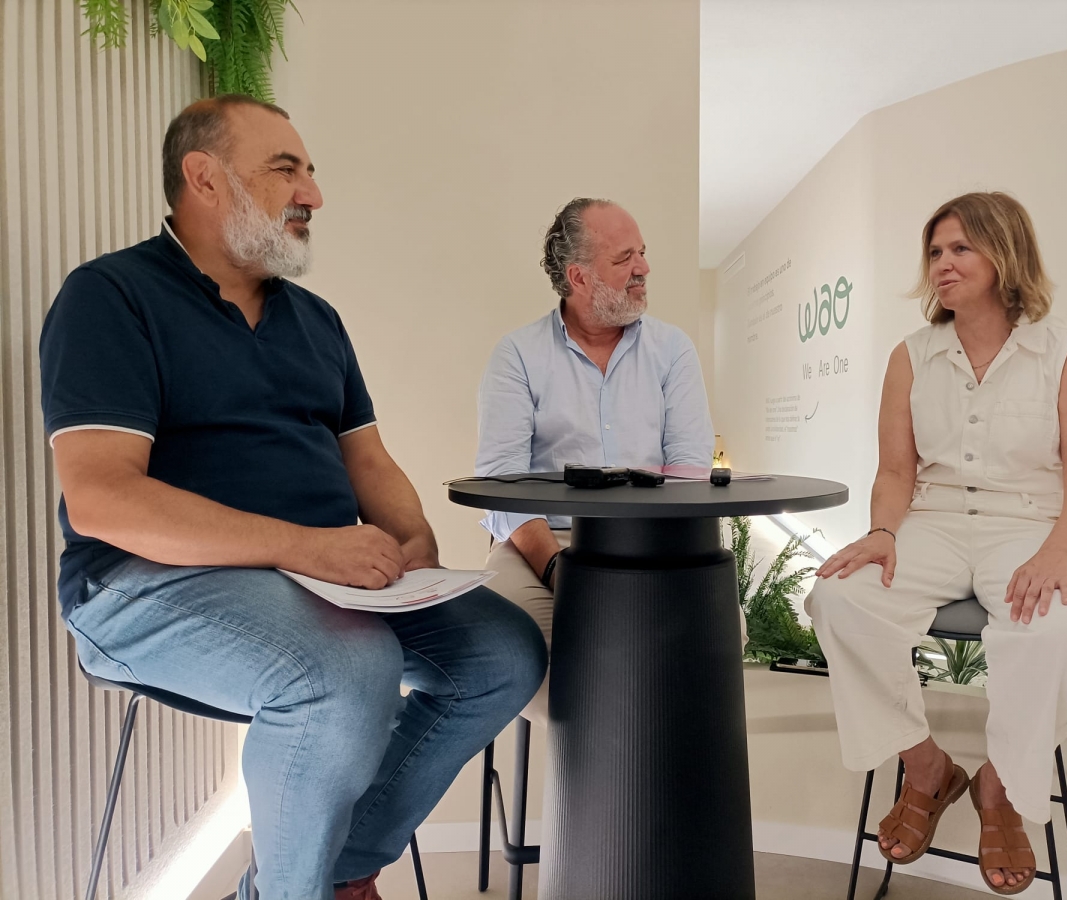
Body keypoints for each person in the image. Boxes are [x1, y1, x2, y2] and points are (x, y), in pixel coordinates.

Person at [39, 95, 546, 900]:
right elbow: (103, 501)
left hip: (309, 579)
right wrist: (303, 545)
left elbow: (368, 462)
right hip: (140, 585)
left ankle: (333, 875)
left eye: (309, 171)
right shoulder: (111, 297)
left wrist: (412, 542)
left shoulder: (316, 321)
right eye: (286, 168)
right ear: (202, 178)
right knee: (345, 667)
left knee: (503, 652)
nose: (312, 194)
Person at [804, 192, 1067, 895]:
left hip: (1038, 524)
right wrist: (883, 533)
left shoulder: (1065, 346)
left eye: (960, 249)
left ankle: (1001, 787)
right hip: (935, 523)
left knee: (1061, 631)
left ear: (1005, 254)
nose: (941, 265)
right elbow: (895, 471)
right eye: (935, 251)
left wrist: (1056, 549)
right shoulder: (912, 355)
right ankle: (926, 767)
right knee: (838, 596)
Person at [475, 197, 715, 723]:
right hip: (541, 547)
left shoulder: (673, 352)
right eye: (625, 258)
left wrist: (647, 559)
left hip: (650, 545)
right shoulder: (517, 356)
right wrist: (558, 569)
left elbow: (691, 472)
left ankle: (641, 771)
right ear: (578, 276)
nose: (644, 269)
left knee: (715, 640)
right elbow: (500, 485)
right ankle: (619, 773)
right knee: (518, 658)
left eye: (643, 254)